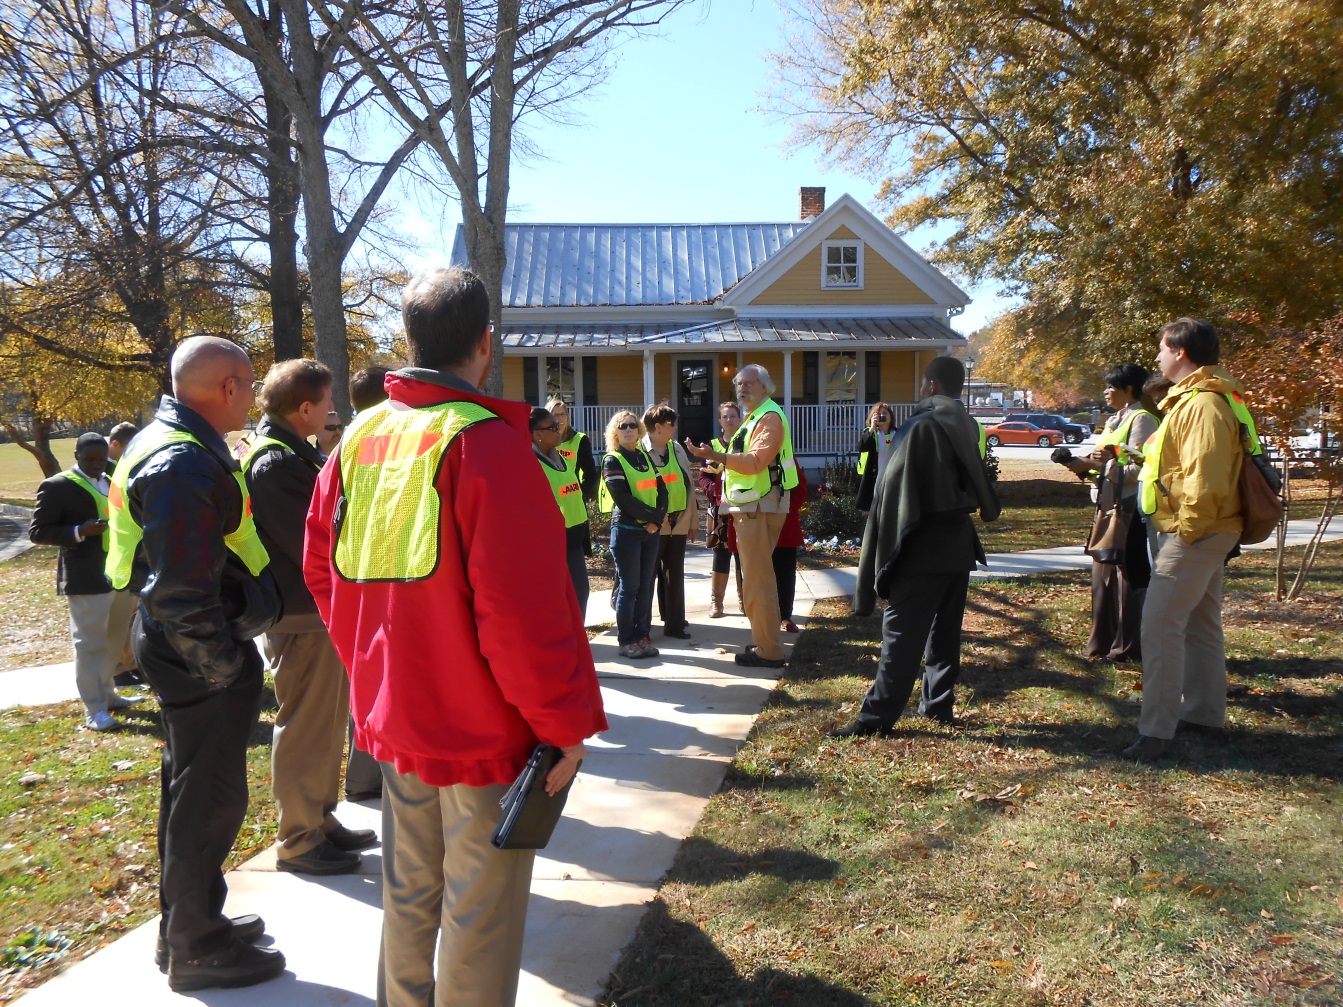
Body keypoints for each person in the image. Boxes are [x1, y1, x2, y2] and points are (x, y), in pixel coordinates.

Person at [304, 267, 606, 1007]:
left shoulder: (359, 439)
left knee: (409, 890)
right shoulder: (486, 445)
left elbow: (320, 571)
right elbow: (523, 615)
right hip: (482, 732)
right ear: (485, 343)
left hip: (399, 719)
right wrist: (563, 726)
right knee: (480, 909)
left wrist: (376, 669)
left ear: (408, 339)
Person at [105, 335, 285, 990]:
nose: (255, 393)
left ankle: (187, 923)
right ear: (229, 388)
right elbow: (181, 592)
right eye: (250, 381)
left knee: (191, 794)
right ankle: (196, 945)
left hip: (182, 647)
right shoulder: (182, 462)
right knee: (207, 799)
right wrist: (222, 666)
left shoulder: (169, 443)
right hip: (193, 654)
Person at [243, 359, 376, 875]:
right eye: (326, 404)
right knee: (303, 726)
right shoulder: (275, 463)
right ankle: (298, 838)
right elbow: (314, 543)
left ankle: (320, 818)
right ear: (304, 409)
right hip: (300, 614)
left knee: (323, 725)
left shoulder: (293, 453)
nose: (332, 411)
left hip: (318, 612)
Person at [829, 356, 1000, 737]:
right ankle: (938, 706)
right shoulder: (970, 425)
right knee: (944, 632)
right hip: (959, 544)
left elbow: (894, 491)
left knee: (901, 635)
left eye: (924, 384)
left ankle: (875, 720)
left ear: (931, 387)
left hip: (922, 543)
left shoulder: (921, 426)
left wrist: (886, 548)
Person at [1124, 318, 1249, 761]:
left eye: (1161, 348)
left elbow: (1206, 476)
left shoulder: (1203, 404)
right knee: (1200, 624)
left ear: (1179, 351)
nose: (1156, 357)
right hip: (1207, 528)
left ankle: (1157, 731)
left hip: (1197, 531)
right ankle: (1204, 715)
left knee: (1158, 626)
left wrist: (1187, 532)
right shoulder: (1199, 400)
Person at [684, 364, 799, 669]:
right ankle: (766, 644)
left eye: (749, 383)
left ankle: (769, 651)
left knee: (758, 582)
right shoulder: (754, 417)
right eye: (738, 384)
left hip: (759, 508)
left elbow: (754, 463)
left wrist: (716, 456)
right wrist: (711, 458)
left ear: (765, 386)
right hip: (751, 507)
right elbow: (738, 465)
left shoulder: (769, 417)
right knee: (757, 580)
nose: (742, 388)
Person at [28, 432, 141, 731]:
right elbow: (38, 532)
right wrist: (79, 530)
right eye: (88, 459)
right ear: (76, 455)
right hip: (86, 576)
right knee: (90, 644)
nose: (95, 465)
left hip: (119, 572)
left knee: (115, 639)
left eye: (100, 459)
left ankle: (108, 694)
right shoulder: (57, 486)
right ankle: (94, 709)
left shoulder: (113, 477)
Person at [1059, 365, 1160, 661]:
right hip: (1106, 508)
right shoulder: (1114, 421)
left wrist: (1102, 467)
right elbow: (1102, 462)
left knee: (1128, 578)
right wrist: (1082, 465)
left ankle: (1128, 647)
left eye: (1112, 386)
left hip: (1128, 510)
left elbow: (1142, 469)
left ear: (1129, 389)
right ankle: (1101, 644)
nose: (1106, 391)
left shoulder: (1143, 420)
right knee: (1102, 576)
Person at [344, 365, 390, 802]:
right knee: (377, 677)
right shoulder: (380, 439)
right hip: (381, 572)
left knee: (366, 674)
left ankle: (363, 776)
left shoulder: (349, 439)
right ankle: (366, 776)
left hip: (354, 574)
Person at [599, 410, 668, 659]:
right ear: (615, 432)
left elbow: (662, 490)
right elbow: (622, 498)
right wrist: (651, 518)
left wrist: (656, 520)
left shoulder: (644, 458)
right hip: (627, 531)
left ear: (639, 431)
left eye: (632, 425)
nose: (628, 429)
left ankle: (641, 636)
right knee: (629, 588)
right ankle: (626, 640)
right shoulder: (612, 460)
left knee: (645, 588)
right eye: (622, 426)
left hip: (651, 532)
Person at [642, 403, 698, 641]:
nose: (675, 427)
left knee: (674, 575)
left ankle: (675, 625)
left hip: (680, 520)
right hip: (653, 524)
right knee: (647, 577)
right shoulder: (640, 451)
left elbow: (689, 485)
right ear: (657, 427)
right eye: (670, 423)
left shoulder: (676, 448)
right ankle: (642, 627)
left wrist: (693, 520)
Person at [532, 406, 590, 615]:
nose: (560, 429)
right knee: (560, 600)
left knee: (580, 593)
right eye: (553, 427)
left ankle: (576, 644)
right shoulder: (530, 464)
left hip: (574, 539)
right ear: (538, 433)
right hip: (552, 544)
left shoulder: (560, 458)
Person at [699, 400, 743, 618]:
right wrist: (711, 490)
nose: (729, 420)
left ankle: (745, 601)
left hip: (743, 506)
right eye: (725, 417)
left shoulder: (746, 443)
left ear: (740, 418)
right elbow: (704, 475)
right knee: (721, 553)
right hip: (719, 509)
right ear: (720, 421)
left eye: (733, 416)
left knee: (743, 555)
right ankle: (717, 603)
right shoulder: (713, 445)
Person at [773, 465, 807, 635]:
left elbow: (800, 487)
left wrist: (787, 508)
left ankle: (785, 615)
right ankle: (764, 616)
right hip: (755, 524)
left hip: (784, 526)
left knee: (785, 575)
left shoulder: (785, 455)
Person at [855, 402, 896, 511]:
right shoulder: (871, 433)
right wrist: (872, 428)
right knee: (875, 508)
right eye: (878, 414)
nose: (882, 416)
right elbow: (861, 447)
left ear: (890, 416)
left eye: (885, 413)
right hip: (875, 476)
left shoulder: (897, 433)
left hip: (893, 476)